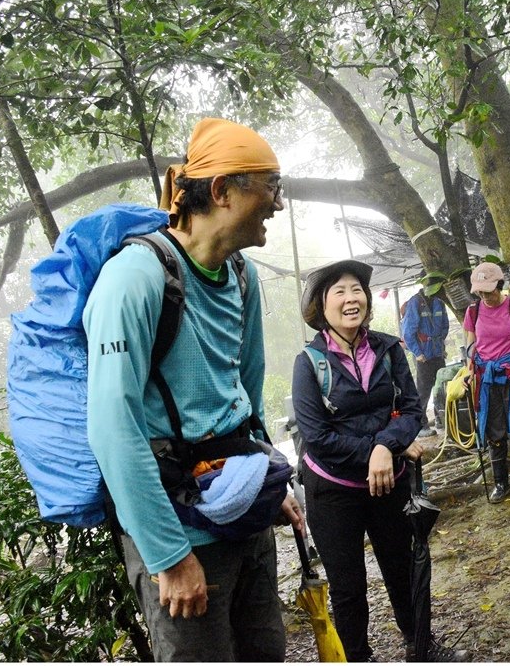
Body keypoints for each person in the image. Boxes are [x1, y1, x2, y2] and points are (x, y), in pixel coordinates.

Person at [83, 118, 304, 661]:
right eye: (270, 184)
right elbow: (113, 428)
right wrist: (167, 556)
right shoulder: (135, 277)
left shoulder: (242, 276)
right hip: (179, 531)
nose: (278, 202)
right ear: (224, 191)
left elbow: (243, 400)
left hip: (243, 515)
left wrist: (270, 483)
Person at [292, 260, 469, 663]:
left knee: (402, 568)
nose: (351, 298)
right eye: (339, 291)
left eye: (357, 289)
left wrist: (383, 448)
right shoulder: (309, 363)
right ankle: (356, 657)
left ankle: (420, 646)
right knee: (348, 586)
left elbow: (412, 410)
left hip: (389, 482)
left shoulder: (388, 349)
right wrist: (379, 449)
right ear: (322, 306)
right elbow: (317, 438)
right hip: (333, 490)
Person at [463, 262, 510, 503]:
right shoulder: (473, 312)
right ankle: (501, 483)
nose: (485, 296)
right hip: (487, 379)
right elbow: (471, 346)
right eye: (480, 292)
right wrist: (468, 368)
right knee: (494, 431)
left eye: (489, 290)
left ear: (499, 285)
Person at [401, 287, 449, 436]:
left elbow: (445, 325)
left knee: (441, 388)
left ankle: (441, 420)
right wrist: (417, 352)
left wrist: (441, 344)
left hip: (437, 353)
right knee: (423, 391)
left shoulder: (439, 301)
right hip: (424, 356)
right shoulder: (415, 303)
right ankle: (421, 426)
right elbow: (408, 332)